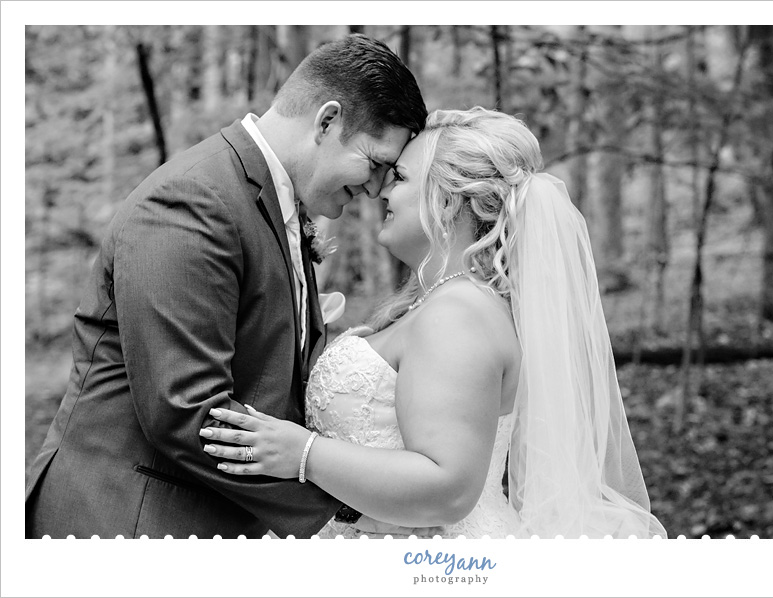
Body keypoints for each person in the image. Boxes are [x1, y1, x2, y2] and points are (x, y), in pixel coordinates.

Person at [25, 34, 427, 539]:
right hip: (128, 522)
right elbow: (187, 409)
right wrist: (350, 509)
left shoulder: (273, 204)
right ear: (327, 121)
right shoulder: (193, 200)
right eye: (374, 163)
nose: (375, 189)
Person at [202, 107, 667, 539]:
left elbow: (447, 488)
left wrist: (303, 453)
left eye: (400, 177)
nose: (381, 189)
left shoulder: (458, 314)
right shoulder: (446, 305)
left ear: (447, 201)